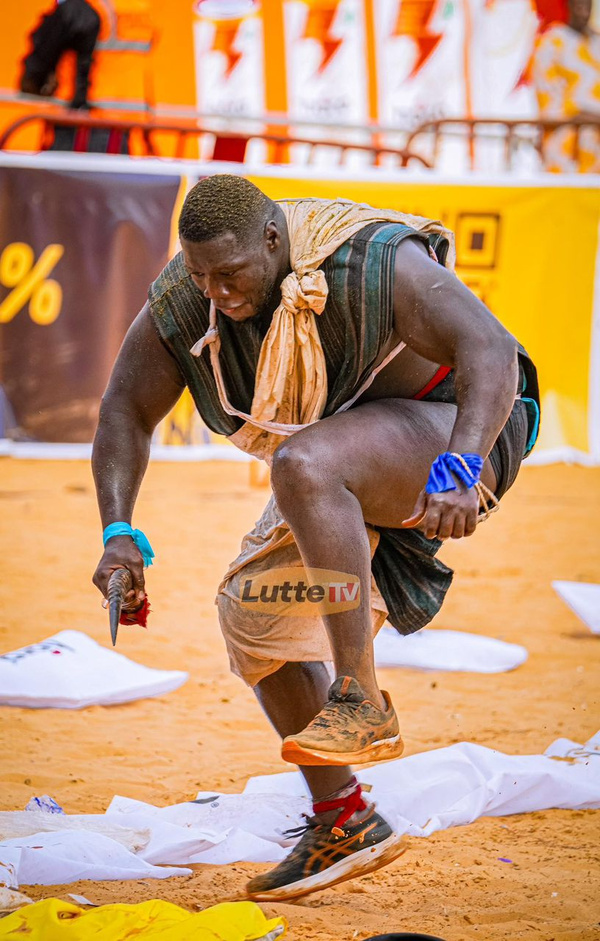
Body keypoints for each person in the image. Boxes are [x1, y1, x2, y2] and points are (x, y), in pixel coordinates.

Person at [92, 175, 540, 902]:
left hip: (459, 433)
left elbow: (491, 346)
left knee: (302, 463)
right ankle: (343, 817)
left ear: (273, 241)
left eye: (230, 274)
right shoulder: (189, 298)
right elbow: (123, 407)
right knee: (254, 616)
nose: (218, 293)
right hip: (343, 464)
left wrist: (462, 465)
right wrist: (117, 532)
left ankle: (360, 697)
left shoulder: (365, 262)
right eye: (202, 275)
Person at [532, 0, 600, 172]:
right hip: (565, 141)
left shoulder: (595, 43)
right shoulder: (552, 42)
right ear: (569, 6)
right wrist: (582, 115)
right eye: (579, 6)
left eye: (588, 7)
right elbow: (546, 93)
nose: (584, 13)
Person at [20, 0, 101, 110]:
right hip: (97, 112)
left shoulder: (78, 9)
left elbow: (47, 46)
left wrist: (34, 79)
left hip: (77, 110)